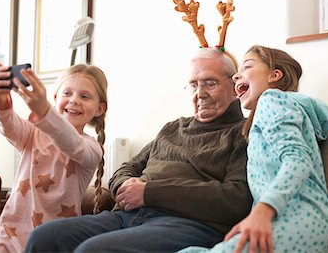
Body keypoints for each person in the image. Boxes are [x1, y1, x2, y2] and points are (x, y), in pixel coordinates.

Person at [24, 47, 253, 253]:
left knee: (94, 250)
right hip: (128, 216)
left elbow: (236, 199)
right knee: (45, 237)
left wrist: (149, 192)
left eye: (210, 83)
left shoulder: (242, 133)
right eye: (193, 84)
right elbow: (127, 168)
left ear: (234, 86)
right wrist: (125, 187)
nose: (200, 93)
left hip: (188, 224)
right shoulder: (173, 128)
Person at [181, 45, 328, 253]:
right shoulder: (276, 111)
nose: (237, 76)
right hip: (310, 226)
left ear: (274, 75)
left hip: (298, 222)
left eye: (247, 67)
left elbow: (298, 160)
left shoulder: (272, 100)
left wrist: (261, 213)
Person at [0, 63, 108, 252]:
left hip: (54, 240)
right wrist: (2, 104)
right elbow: (10, 126)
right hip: (10, 235)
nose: (74, 100)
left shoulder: (92, 149)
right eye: (67, 93)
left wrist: (44, 112)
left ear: (99, 109)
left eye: (84, 96)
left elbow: (73, 144)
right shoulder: (33, 132)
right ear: (55, 98)